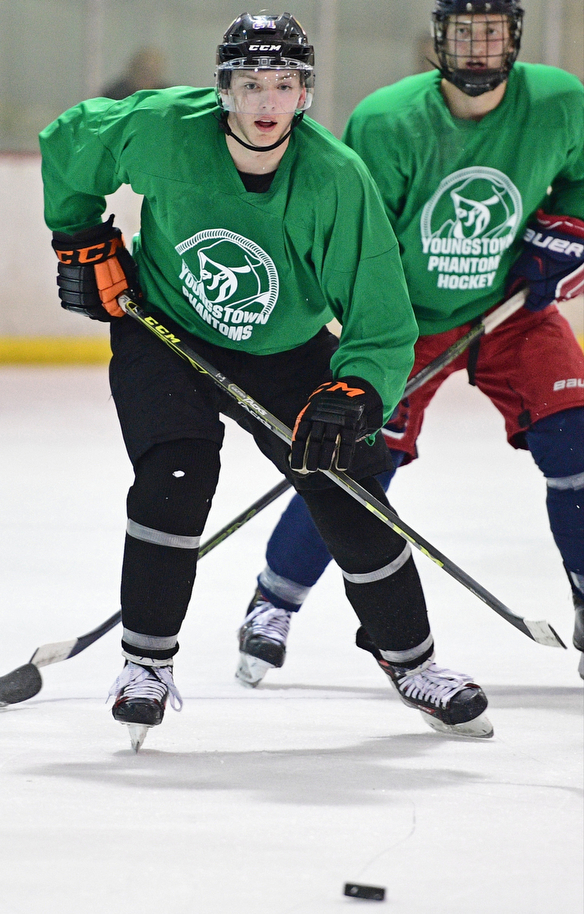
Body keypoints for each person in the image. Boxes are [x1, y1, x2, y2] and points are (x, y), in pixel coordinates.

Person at [39, 11, 494, 748]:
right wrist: (81, 235)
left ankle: (412, 661)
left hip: (285, 349)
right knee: (175, 473)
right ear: (223, 88)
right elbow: (70, 141)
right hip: (168, 333)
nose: (265, 103)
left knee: (351, 484)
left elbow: (379, 316)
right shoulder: (162, 127)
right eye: (249, 84)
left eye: (283, 85)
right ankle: (145, 664)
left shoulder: (336, 180)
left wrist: (356, 389)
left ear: (305, 94)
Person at [238, 0, 584, 686]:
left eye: (492, 31)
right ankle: (272, 600)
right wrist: (373, 336)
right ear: (440, 39)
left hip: (512, 307)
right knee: (358, 461)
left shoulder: (562, 100)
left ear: (513, 36)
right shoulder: (387, 121)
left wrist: (568, 228)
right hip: (406, 319)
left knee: (574, 438)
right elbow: (359, 241)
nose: (479, 47)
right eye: (464, 32)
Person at [100, 47, 168, 100]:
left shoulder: (166, 96)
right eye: (143, 71)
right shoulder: (114, 95)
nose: (146, 76)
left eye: (151, 73)